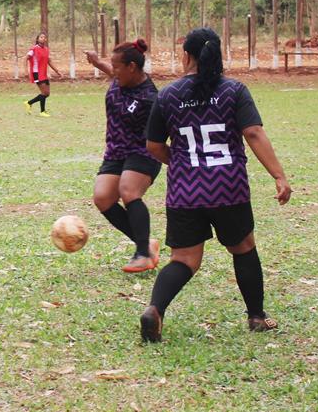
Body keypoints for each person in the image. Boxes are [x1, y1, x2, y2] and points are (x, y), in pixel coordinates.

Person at [140, 27, 292, 342]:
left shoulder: (168, 95)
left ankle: (155, 309)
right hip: (229, 187)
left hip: (185, 192)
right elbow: (253, 134)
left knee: (183, 260)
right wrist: (278, 175)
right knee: (243, 247)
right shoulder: (233, 91)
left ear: (186, 55)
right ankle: (256, 317)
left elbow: (154, 147)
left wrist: (181, 162)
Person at [85, 39, 161, 273]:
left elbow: (159, 135)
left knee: (128, 191)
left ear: (132, 67)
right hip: (116, 151)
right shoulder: (120, 78)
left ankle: (143, 254)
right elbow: (110, 71)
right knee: (103, 198)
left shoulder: (150, 98)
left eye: (117, 66)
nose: (113, 71)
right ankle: (146, 243)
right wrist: (98, 62)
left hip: (142, 152)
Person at [24, 32, 62, 117]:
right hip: (36, 73)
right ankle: (42, 111)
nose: (43, 38)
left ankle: (29, 103)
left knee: (47, 93)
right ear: (37, 39)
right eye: (41, 37)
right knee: (44, 93)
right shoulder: (33, 49)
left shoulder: (46, 49)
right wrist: (26, 71)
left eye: (44, 37)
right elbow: (25, 58)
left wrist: (57, 71)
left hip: (43, 73)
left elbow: (49, 61)